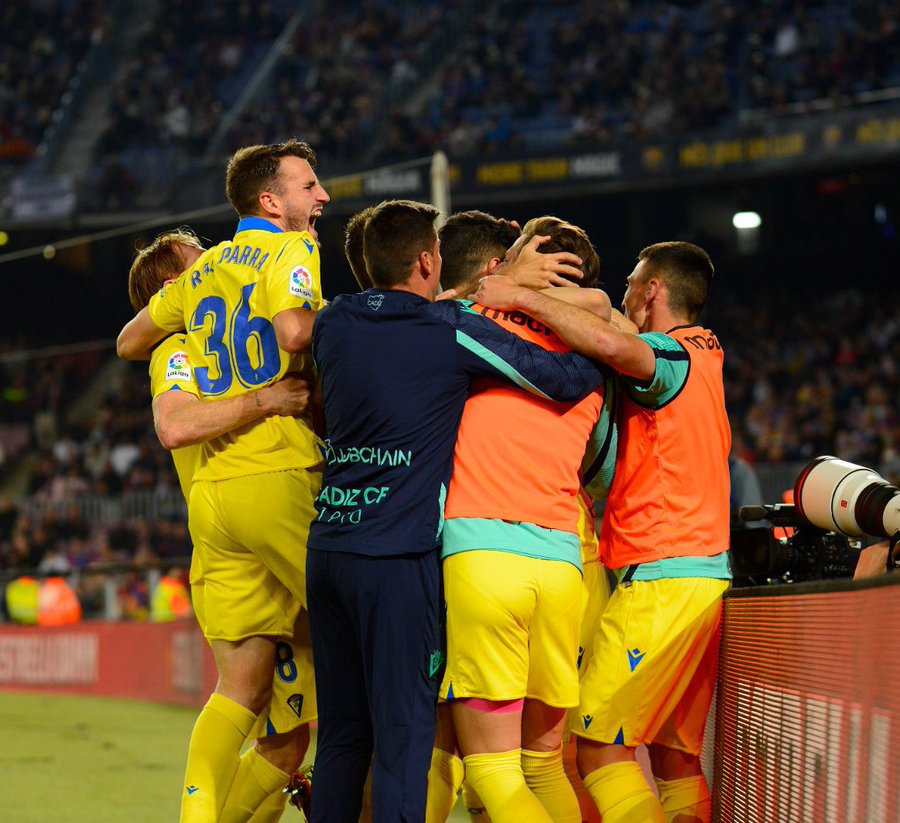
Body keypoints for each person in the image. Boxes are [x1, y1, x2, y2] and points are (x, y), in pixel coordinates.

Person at [306, 199, 605, 823]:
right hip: (403, 556)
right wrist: (592, 346)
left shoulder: (333, 322)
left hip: (329, 545)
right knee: (409, 743)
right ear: (425, 259)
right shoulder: (450, 331)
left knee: (339, 738)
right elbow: (559, 377)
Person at [474, 241, 731, 823]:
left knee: (597, 748)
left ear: (653, 291)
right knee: (673, 759)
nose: (621, 295)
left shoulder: (671, 355)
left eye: (630, 284)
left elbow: (618, 342)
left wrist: (513, 294)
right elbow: (610, 323)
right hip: (700, 577)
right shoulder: (705, 351)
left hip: (662, 579)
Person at [117, 138, 330, 823]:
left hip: (222, 513)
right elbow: (175, 424)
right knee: (378, 647)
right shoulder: (177, 351)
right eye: (191, 262)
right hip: (273, 482)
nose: (210, 260)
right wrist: (270, 397)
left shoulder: (205, 288)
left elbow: (125, 337)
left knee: (271, 720)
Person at [438, 215, 616, 823]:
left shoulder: (475, 324)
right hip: (564, 565)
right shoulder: (596, 342)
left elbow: (403, 316)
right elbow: (604, 310)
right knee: (543, 766)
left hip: (484, 556)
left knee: (491, 771)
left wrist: (501, 287)